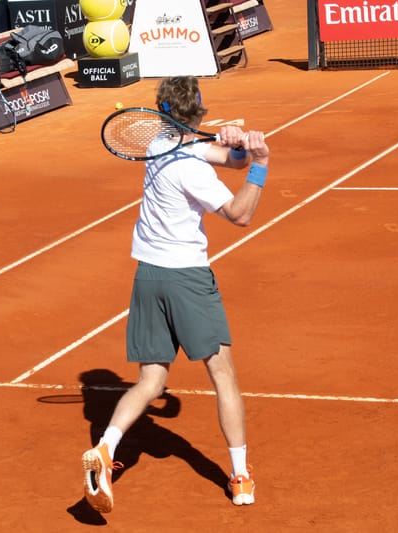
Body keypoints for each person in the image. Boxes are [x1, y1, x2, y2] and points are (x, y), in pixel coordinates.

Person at [82, 76, 270, 513]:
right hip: (186, 279)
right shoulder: (192, 168)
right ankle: (240, 476)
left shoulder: (157, 144)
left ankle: (106, 448)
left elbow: (222, 157)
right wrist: (260, 162)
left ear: (161, 112)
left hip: (148, 276)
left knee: (151, 381)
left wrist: (238, 148)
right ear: (199, 112)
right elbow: (240, 214)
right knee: (223, 374)